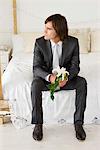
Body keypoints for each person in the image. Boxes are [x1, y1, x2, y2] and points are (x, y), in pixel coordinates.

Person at [31, 14, 87, 141]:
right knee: (35, 85)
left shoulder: (73, 42)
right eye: (45, 27)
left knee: (82, 82)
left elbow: (75, 67)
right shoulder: (39, 43)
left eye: (49, 29)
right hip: (47, 79)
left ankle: (78, 124)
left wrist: (66, 78)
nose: (44, 31)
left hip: (64, 79)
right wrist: (50, 77)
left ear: (59, 31)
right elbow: (36, 68)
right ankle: (38, 124)